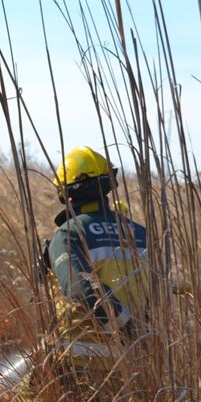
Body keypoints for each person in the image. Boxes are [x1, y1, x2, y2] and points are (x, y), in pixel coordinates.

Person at [40, 145, 149, 364]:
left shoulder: (68, 234)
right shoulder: (141, 233)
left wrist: (127, 326)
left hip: (81, 364)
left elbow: (81, 290)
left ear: (66, 193)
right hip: (136, 364)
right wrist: (141, 335)